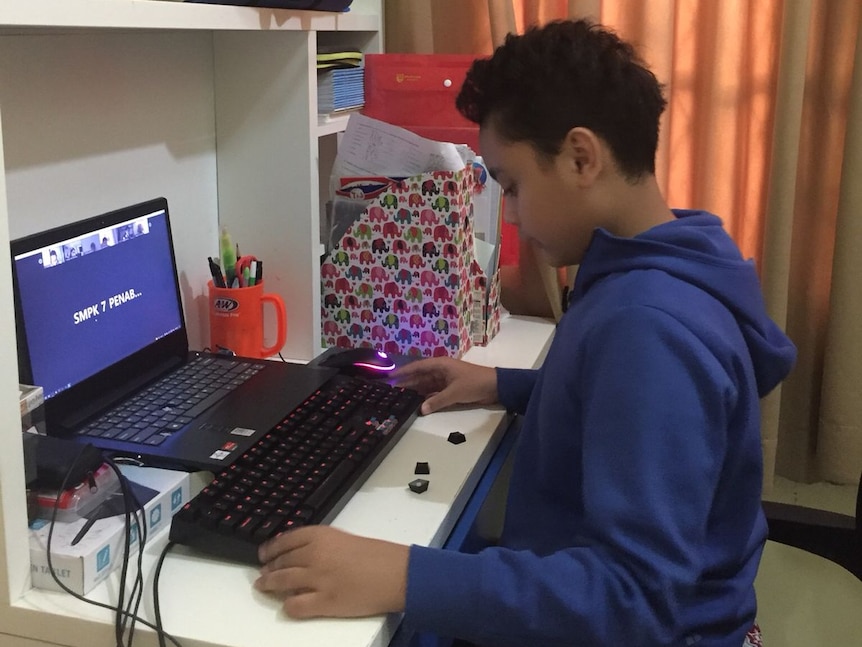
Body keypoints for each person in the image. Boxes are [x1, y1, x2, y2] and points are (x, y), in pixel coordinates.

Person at [255, 19, 796, 646]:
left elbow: (636, 602)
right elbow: (621, 404)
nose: (508, 212)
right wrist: (503, 384)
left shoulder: (649, 329)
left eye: (512, 185)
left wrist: (405, 576)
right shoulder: (671, 256)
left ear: (580, 157)